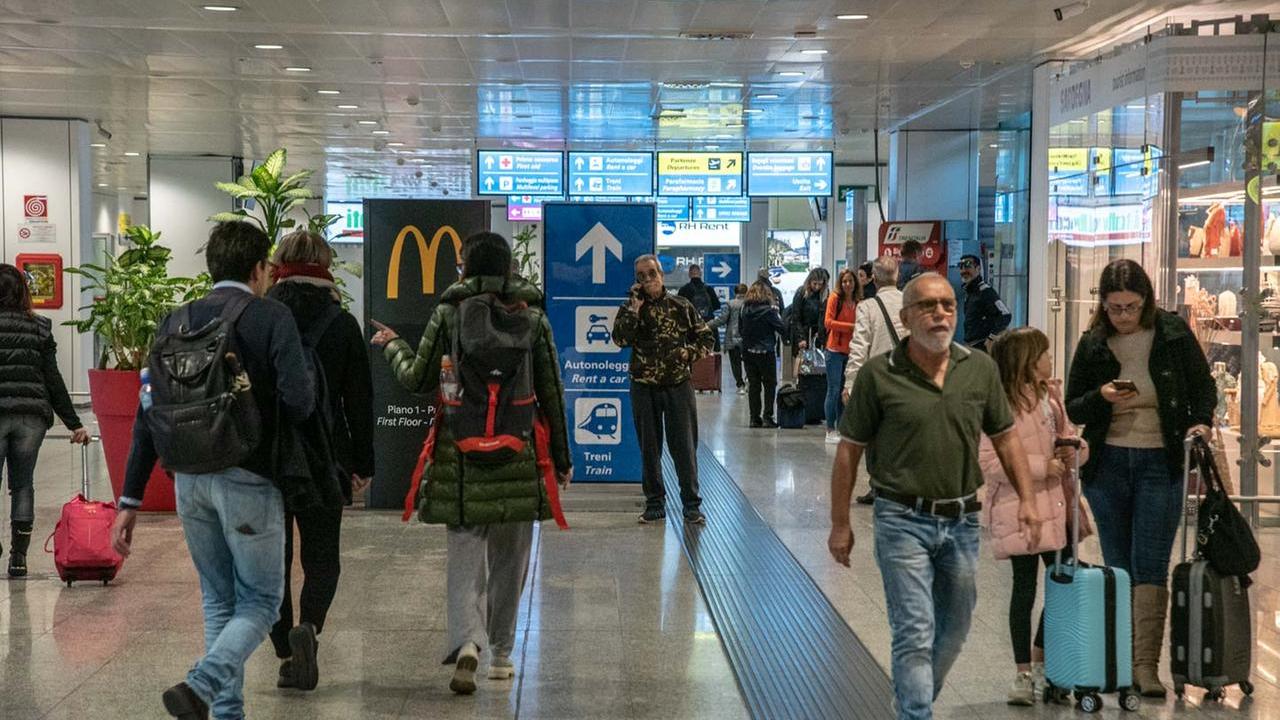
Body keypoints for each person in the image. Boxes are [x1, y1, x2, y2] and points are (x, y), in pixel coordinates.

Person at [112, 221, 316, 720]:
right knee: (263, 602)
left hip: (189, 482)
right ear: (259, 269)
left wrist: (130, 501)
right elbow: (300, 403)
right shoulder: (272, 317)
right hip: (249, 478)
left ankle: (225, 714)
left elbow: (147, 414)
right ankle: (202, 685)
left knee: (219, 600)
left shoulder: (173, 322)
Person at [828, 273, 1041, 720]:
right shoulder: (877, 376)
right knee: (914, 628)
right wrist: (841, 523)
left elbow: (1005, 438)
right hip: (900, 517)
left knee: (956, 627)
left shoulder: (978, 369)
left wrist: (1027, 498)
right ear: (906, 318)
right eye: (927, 306)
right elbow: (849, 453)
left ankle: (912, 696)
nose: (940, 313)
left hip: (962, 519)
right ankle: (915, 712)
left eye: (947, 305)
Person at [370, 231, 572, 695]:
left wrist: (393, 345)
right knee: (511, 560)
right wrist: (561, 458)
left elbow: (419, 379)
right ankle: (502, 655)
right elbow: (552, 392)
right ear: (510, 269)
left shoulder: (448, 314)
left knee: (465, 559)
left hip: (460, 456)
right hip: (517, 455)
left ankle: (467, 644)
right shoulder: (534, 320)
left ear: (464, 267)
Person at [1064, 258, 1215, 699]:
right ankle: (1120, 658)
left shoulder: (1172, 334)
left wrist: (1201, 423)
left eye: (1131, 307)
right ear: (1103, 306)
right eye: (1115, 308)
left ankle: (1145, 667)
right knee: (1118, 565)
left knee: (1151, 564)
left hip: (1161, 462)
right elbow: (1075, 406)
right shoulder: (1094, 343)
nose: (1124, 316)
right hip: (1108, 464)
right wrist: (1103, 397)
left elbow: (1203, 388)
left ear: (1147, 301)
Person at [264, 230, 375, 691]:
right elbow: (359, 401)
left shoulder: (261, 317)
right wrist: (363, 464)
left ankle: (287, 652)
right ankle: (308, 626)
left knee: (272, 560)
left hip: (267, 458)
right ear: (326, 267)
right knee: (322, 555)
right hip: (326, 456)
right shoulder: (342, 323)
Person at [978, 328, 1089, 705]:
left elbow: (1070, 436)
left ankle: (1043, 661)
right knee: (1024, 590)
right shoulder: (998, 406)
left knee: (1067, 581)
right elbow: (990, 462)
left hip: (1056, 508)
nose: (1050, 359)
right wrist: (1044, 467)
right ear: (1025, 360)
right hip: (1019, 511)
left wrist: (1077, 451)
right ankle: (1023, 672)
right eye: (1043, 353)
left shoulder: (1051, 398)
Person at [0, 264, 91, 578]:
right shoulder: (39, 326)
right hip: (30, 418)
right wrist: (74, 423)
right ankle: (18, 559)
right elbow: (53, 379)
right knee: (23, 486)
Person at [612, 254, 715, 525]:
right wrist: (633, 310)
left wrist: (686, 353)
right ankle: (655, 503)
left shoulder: (680, 305)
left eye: (652, 273)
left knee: (683, 447)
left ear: (661, 275)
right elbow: (620, 340)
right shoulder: (631, 308)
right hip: (643, 386)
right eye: (641, 276)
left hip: (677, 385)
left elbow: (706, 338)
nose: (648, 280)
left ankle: (691, 505)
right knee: (649, 447)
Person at [842, 256, 908, 505]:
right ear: (897, 276)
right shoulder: (911, 302)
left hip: (878, 380)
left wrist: (850, 383)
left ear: (874, 279)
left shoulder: (867, 307)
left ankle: (879, 485)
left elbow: (859, 347)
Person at [739, 281, 787, 428]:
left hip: (748, 351)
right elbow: (781, 328)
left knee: (754, 385)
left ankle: (754, 418)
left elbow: (741, 330)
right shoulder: (769, 312)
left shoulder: (744, 310)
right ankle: (767, 417)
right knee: (770, 385)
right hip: (766, 352)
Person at [823, 269, 859, 444]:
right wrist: (850, 327)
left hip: (851, 351)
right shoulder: (834, 299)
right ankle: (830, 429)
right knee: (834, 390)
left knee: (846, 391)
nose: (847, 284)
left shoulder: (859, 301)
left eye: (850, 281)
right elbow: (828, 322)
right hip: (834, 351)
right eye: (844, 281)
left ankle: (842, 427)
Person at [958, 255, 1012, 350]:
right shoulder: (970, 293)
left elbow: (1005, 315)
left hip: (982, 348)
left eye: (968, 266)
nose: (963, 271)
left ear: (978, 268)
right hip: (972, 346)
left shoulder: (985, 292)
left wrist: (991, 338)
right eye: (961, 266)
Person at [709, 283, 748, 395]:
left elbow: (722, 320)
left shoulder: (730, 304)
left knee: (735, 363)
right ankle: (748, 380)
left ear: (735, 292)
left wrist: (707, 325)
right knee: (749, 362)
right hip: (747, 339)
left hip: (732, 338)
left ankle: (740, 385)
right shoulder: (750, 304)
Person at [788, 268, 829, 357]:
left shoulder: (825, 295)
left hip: (817, 336)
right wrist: (801, 338)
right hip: (803, 334)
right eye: (815, 284)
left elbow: (824, 317)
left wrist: (821, 333)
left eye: (820, 284)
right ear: (809, 281)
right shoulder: (801, 293)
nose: (817, 287)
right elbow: (796, 317)